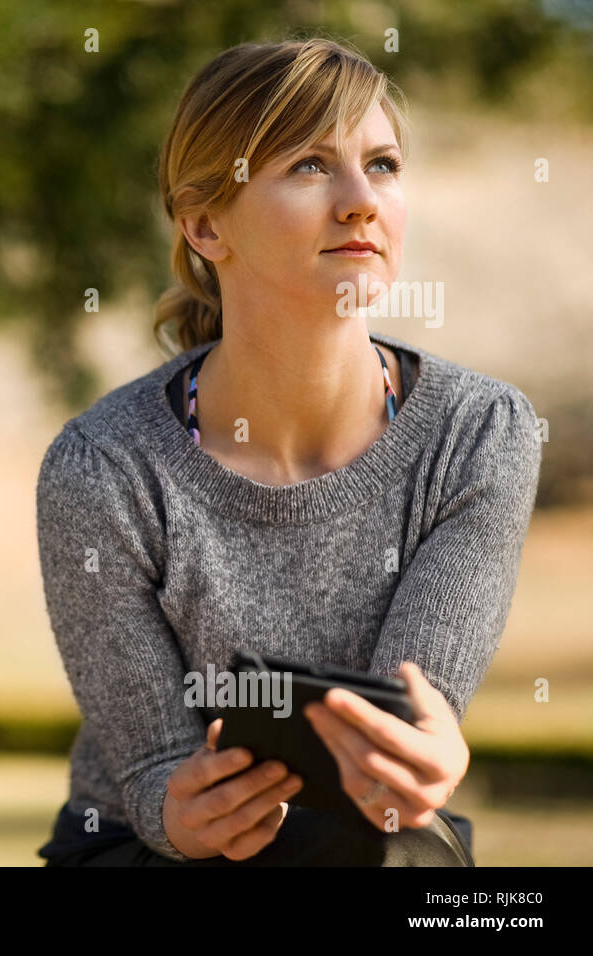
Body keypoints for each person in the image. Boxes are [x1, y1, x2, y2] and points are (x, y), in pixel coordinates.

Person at [34, 37, 540, 866]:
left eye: (381, 165)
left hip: (375, 846)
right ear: (203, 223)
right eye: (310, 166)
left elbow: (411, 719)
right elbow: (154, 770)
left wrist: (428, 755)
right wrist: (180, 809)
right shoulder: (102, 467)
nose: (360, 202)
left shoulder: (480, 434)